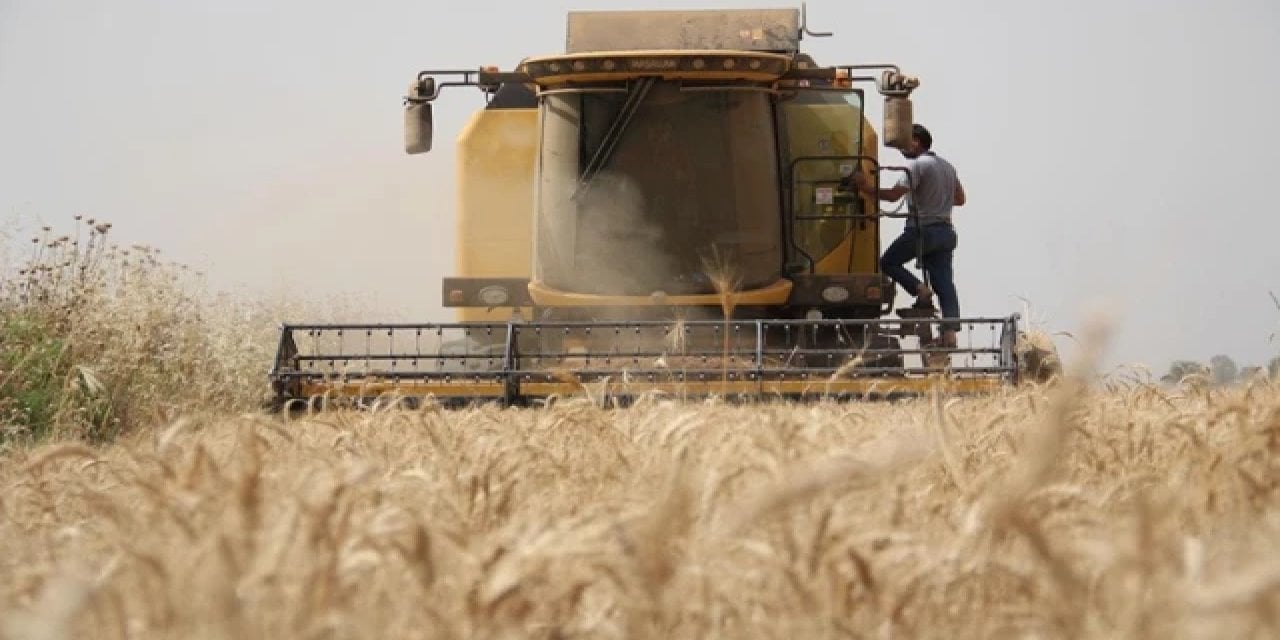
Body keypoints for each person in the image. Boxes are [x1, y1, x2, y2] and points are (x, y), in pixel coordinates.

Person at [850, 124, 966, 348]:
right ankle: (950, 333)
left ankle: (919, 289)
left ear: (917, 141)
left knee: (888, 262)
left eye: (906, 141)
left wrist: (864, 187)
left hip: (922, 230)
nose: (902, 147)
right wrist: (935, 199)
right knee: (944, 283)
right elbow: (960, 199)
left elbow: (894, 196)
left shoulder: (916, 166)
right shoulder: (947, 166)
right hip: (945, 232)